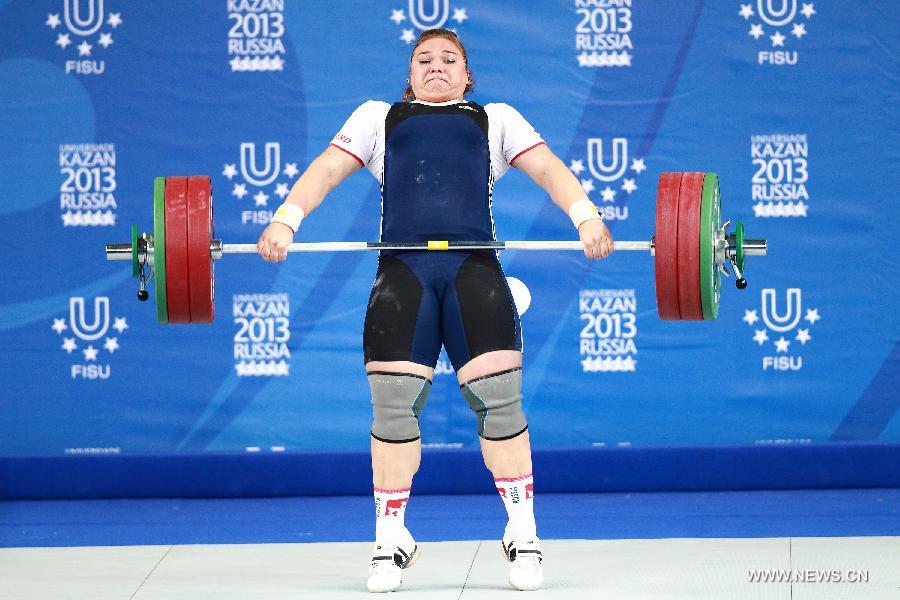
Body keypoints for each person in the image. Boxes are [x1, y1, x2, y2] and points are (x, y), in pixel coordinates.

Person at [256, 28, 613, 593]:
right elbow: (324, 170)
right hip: (403, 275)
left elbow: (547, 170)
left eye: (450, 59)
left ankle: (524, 533)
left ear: (467, 75)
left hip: (476, 271)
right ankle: (389, 539)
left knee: (500, 400)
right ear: (411, 73)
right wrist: (286, 219)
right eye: (424, 59)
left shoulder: (495, 118)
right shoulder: (379, 118)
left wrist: (586, 216)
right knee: (393, 407)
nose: (437, 66)